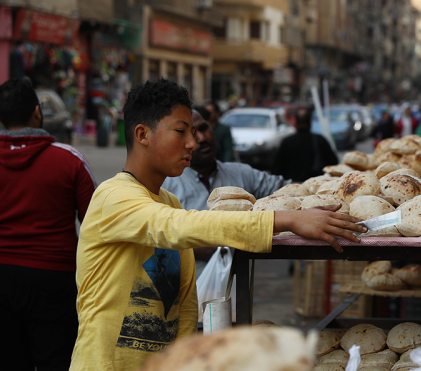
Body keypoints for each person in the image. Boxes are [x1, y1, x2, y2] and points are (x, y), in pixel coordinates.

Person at [70, 79, 365, 371]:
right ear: (142, 134)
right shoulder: (113, 196)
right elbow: (176, 226)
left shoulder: (170, 201)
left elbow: (185, 306)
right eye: (180, 131)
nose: (192, 142)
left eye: (195, 131)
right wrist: (286, 220)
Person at [0, 78, 96, 370]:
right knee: (57, 361)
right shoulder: (69, 160)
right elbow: (96, 224)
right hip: (56, 281)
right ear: (37, 112)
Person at [162, 107, 290, 277]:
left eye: (203, 128)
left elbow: (289, 190)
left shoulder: (241, 173)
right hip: (187, 290)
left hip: (237, 288)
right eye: (192, 134)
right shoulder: (165, 186)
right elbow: (152, 241)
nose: (202, 139)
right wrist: (193, 248)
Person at [272, 107, 338, 182]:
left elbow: (276, 169)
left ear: (295, 123)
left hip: (291, 186)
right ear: (310, 122)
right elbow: (334, 162)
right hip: (315, 186)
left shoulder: (287, 142)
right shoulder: (320, 140)